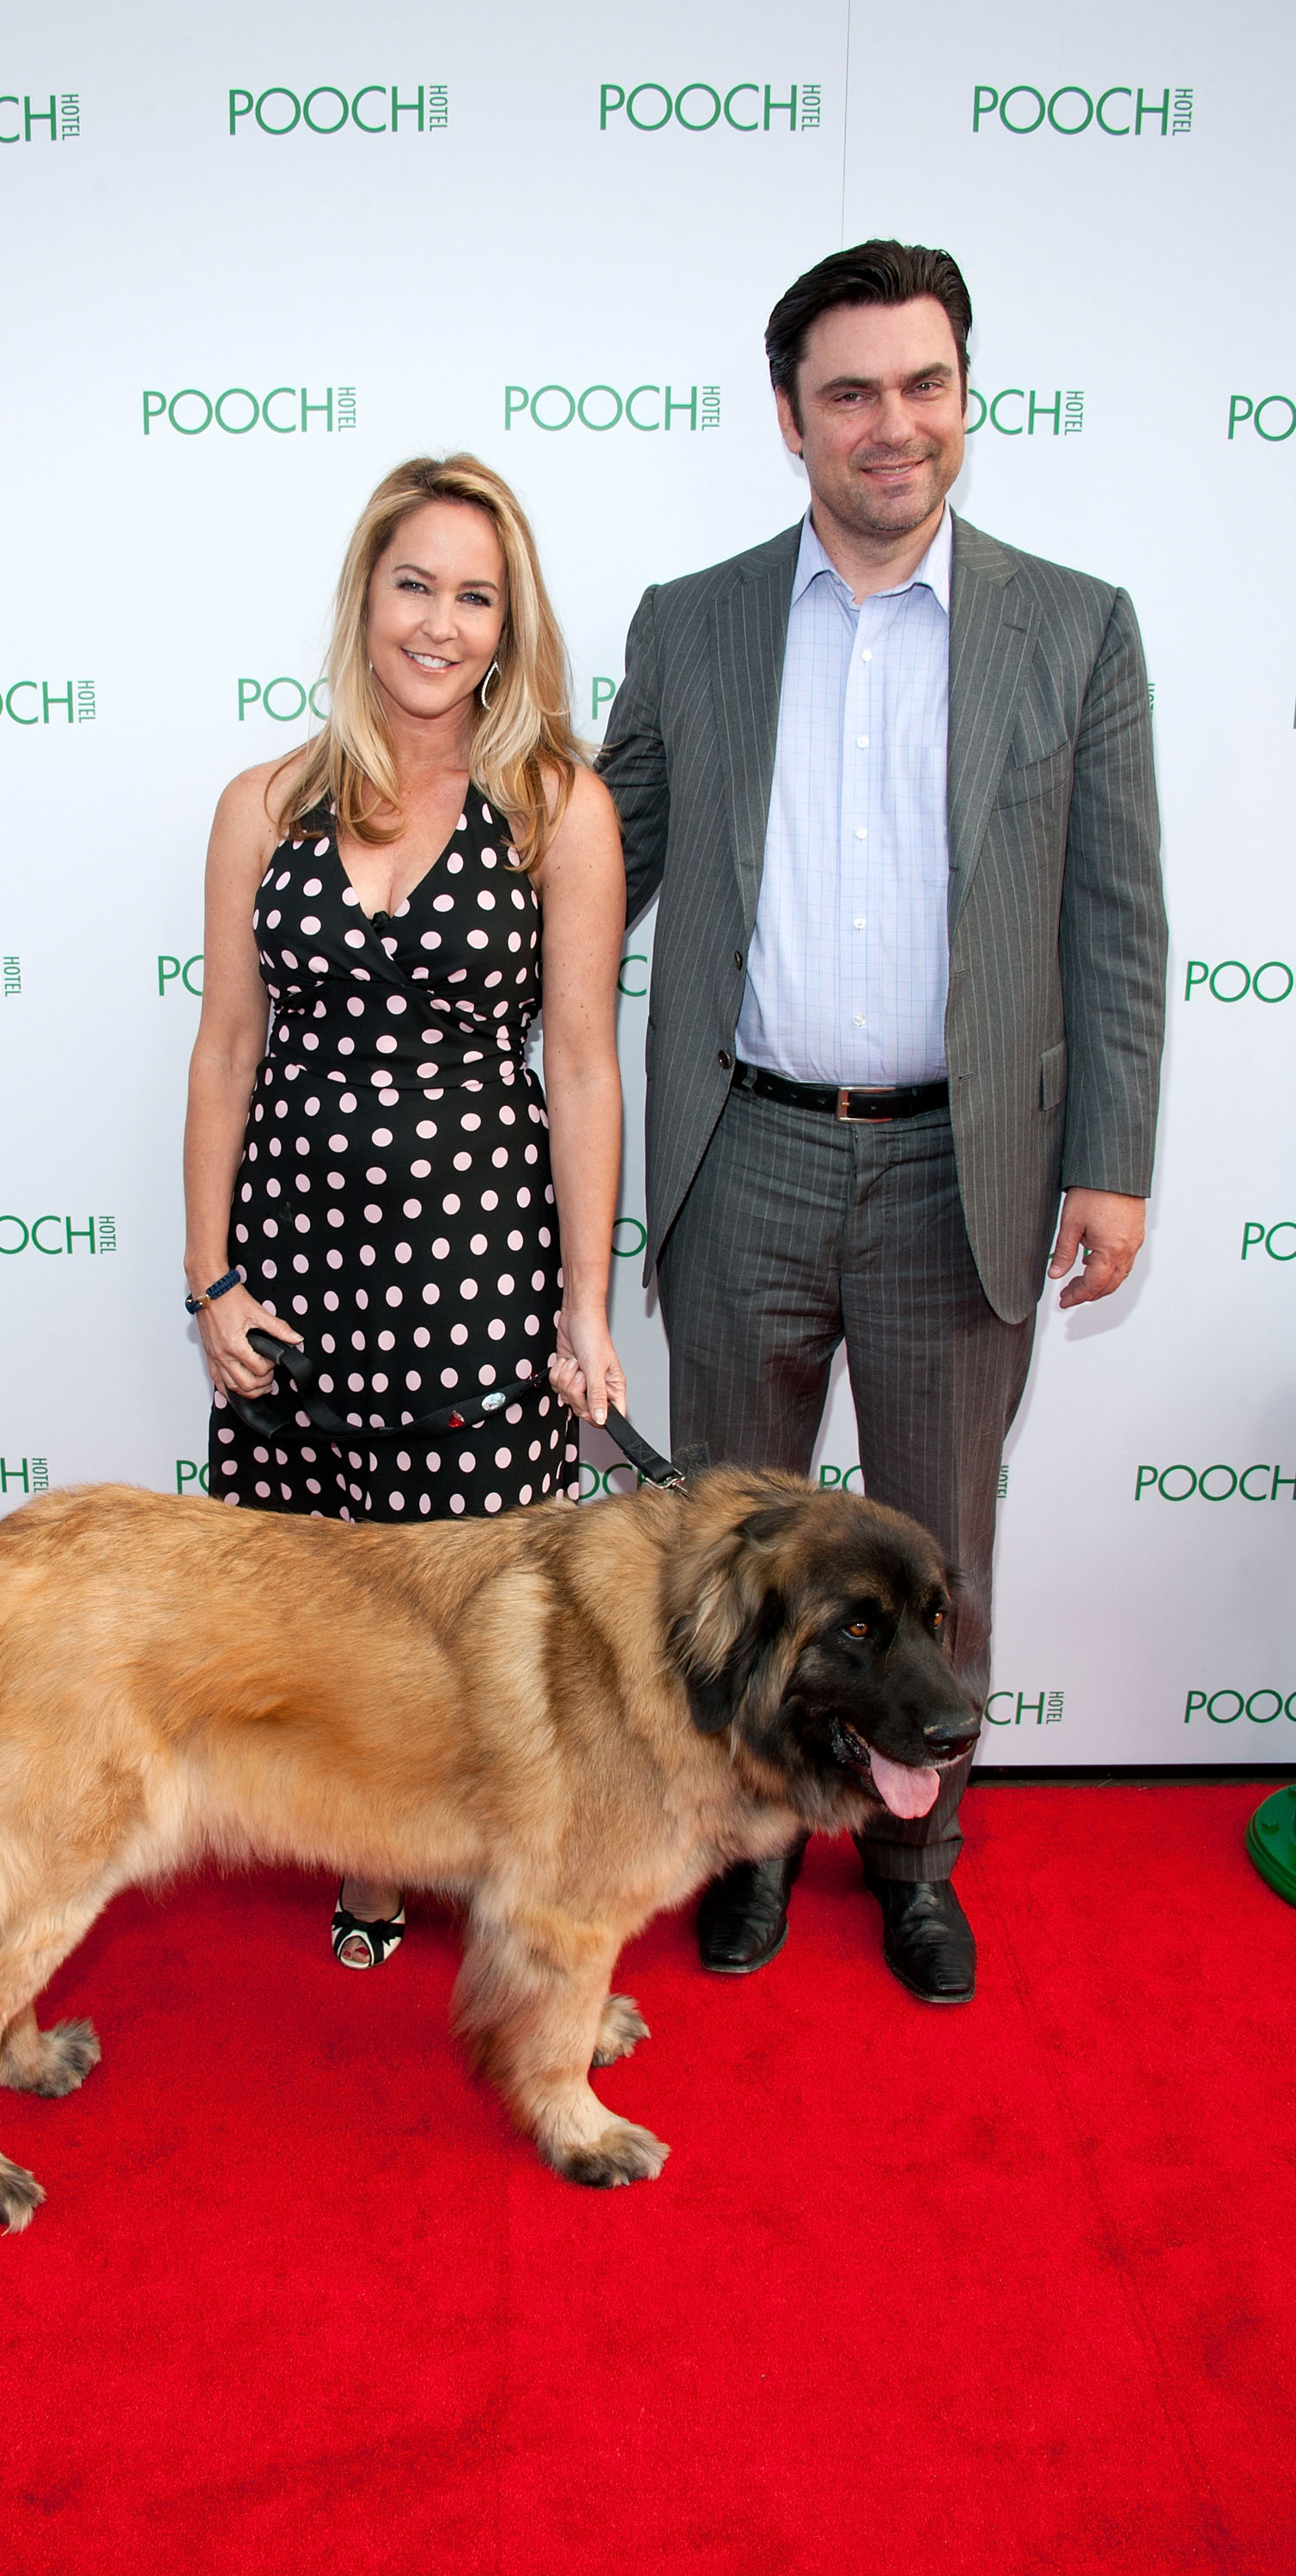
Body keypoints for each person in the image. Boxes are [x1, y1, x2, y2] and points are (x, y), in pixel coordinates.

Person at [598, 241, 1166, 2003]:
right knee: (728, 1557)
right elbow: (594, 859)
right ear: (791, 420)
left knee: (936, 1549)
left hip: (964, 1169)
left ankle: (919, 1857)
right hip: (741, 1154)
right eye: (850, 392)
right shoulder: (688, 622)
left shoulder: (1073, 626)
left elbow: (1116, 915)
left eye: (924, 385)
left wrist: (1114, 1162)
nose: (891, 424)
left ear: (964, 398)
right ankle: (748, 1842)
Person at [184, 453, 628, 1968]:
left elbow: (579, 1064)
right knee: (322, 1600)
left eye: (475, 597)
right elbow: (227, 1045)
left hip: (475, 1268)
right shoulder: (265, 803)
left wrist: (584, 1305)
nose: (439, 624)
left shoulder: (557, 809)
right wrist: (208, 1283)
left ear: (512, 628)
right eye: (415, 585)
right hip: (295, 1260)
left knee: (483, 1608)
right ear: (366, 597)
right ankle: (370, 1860)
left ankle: (514, 1868)